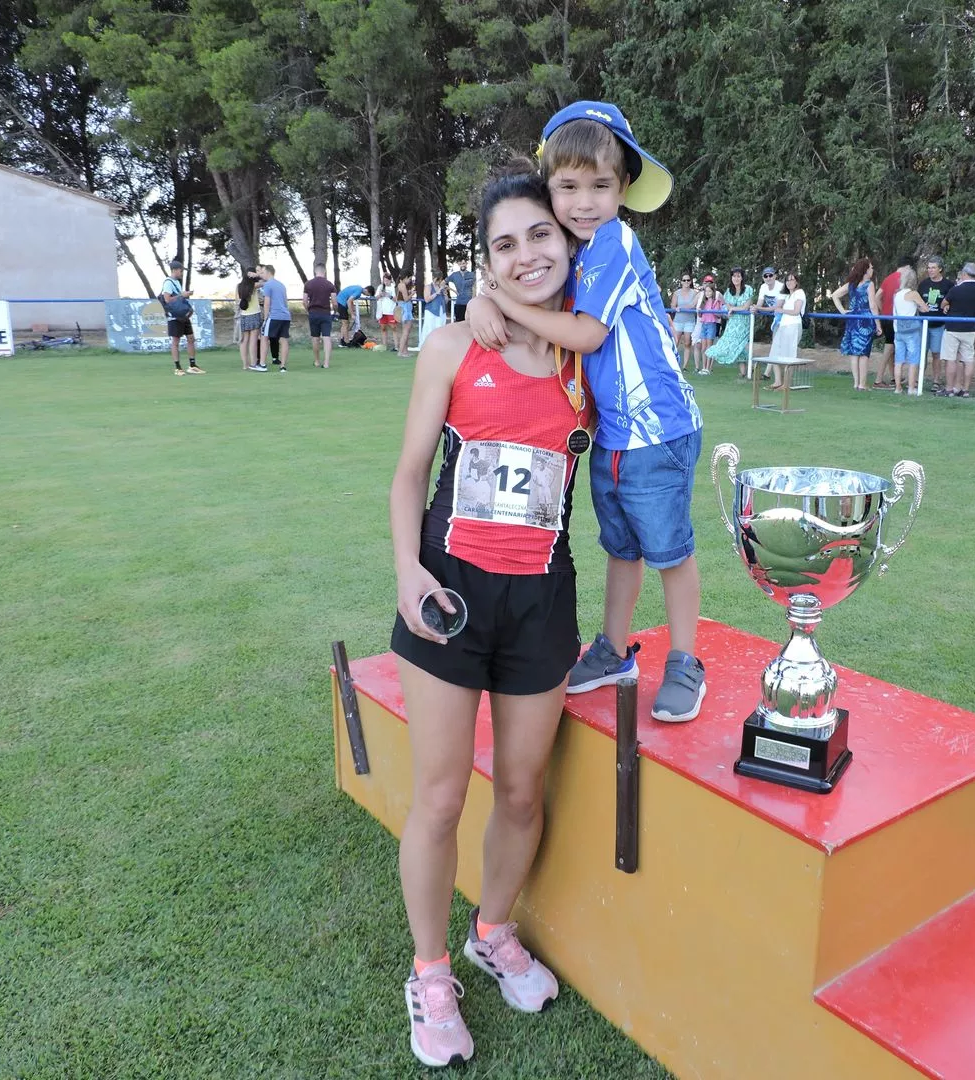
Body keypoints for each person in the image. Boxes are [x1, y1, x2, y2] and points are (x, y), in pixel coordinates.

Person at [390, 160, 584, 1068]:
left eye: (540, 234)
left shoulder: (586, 352)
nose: (526, 254)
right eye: (504, 245)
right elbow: (408, 475)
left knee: (519, 791)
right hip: (450, 592)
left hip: (543, 597)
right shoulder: (450, 347)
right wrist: (406, 572)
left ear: (566, 239)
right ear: (486, 261)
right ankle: (430, 973)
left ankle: (492, 931)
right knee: (439, 797)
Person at [467, 100, 707, 723]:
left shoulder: (614, 242)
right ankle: (613, 651)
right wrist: (480, 299)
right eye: (568, 187)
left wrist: (501, 303)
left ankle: (686, 660)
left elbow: (586, 334)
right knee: (621, 547)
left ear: (623, 189)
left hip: (658, 429)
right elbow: (520, 283)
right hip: (614, 434)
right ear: (549, 188)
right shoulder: (572, 251)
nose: (584, 201)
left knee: (669, 550)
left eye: (601, 186)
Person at [830, 258, 879, 391]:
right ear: (865, 270)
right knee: (863, 353)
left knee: (854, 352)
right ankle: (862, 384)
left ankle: (856, 383)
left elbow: (835, 295)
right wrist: (878, 324)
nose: (872, 269)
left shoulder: (851, 284)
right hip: (865, 320)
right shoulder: (869, 284)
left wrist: (843, 311)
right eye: (871, 267)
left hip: (852, 319)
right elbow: (873, 305)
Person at [938, 262, 975, 397]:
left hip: (953, 328)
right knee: (968, 360)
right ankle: (965, 390)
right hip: (969, 328)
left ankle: (949, 389)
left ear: (964, 274)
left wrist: (948, 306)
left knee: (950, 359)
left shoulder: (956, 290)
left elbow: (943, 303)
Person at [159, 259, 204, 375]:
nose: (182, 273)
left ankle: (192, 365)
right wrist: (181, 295)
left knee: (191, 338)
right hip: (174, 317)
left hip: (183, 315)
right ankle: (178, 368)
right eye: (180, 270)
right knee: (176, 341)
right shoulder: (168, 283)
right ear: (174, 270)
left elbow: (178, 297)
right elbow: (167, 299)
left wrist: (185, 294)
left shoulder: (177, 282)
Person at [705, 267, 754, 374]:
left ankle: (750, 368)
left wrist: (733, 308)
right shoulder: (729, 291)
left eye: (738, 276)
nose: (736, 278)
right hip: (732, 321)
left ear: (742, 278)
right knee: (731, 344)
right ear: (731, 277)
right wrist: (731, 309)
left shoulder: (748, 289)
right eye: (734, 276)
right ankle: (744, 372)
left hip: (743, 322)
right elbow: (727, 306)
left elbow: (745, 307)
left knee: (735, 344)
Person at [873, 254, 912, 389]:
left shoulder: (888, 278)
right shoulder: (904, 280)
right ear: (908, 267)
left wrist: (883, 309)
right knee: (889, 348)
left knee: (891, 348)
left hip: (886, 317)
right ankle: (878, 379)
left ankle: (894, 377)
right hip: (895, 318)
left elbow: (877, 296)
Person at [766, 272, 806, 390]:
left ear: (796, 282)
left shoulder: (799, 293)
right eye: (787, 280)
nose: (789, 282)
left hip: (793, 326)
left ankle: (786, 383)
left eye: (792, 280)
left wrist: (781, 310)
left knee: (789, 355)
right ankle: (778, 381)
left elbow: (796, 311)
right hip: (783, 326)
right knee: (775, 353)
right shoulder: (787, 296)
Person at [891, 266, 928, 394]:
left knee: (899, 360)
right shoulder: (913, 294)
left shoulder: (897, 295)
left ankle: (898, 388)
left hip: (898, 330)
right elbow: (925, 308)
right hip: (911, 331)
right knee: (913, 360)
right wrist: (920, 307)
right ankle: (911, 388)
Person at [918, 257, 953, 390]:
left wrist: (947, 306)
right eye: (929, 267)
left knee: (936, 353)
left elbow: (952, 301)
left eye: (933, 268)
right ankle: (918, 380)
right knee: (922, 353)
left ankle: (936, 381)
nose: (930, 270)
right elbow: (917, 301)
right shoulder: (923, 284)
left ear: (940, 269)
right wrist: (920, 307)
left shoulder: (948, 285)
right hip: (923, 324)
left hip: (939, 325)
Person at [257, 264, 290, 372]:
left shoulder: (268, 285)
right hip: (285, 316)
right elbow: (285, 302)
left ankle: (262, 365)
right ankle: (283, 366)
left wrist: (265, 318)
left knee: (264, 337)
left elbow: (267, 303)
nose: (262, 275)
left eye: (263, 272)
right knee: (284, 340)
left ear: (268, 272)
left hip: (274, 316)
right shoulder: (281, 285)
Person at [304, 263, 336, 368]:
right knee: (327, 337)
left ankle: (317, 361)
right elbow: (334, 302)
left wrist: (308, 310)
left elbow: (304, 301)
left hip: (313, 313)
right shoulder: (330, 284)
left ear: (315, 271)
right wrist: (335, 310)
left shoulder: (308, 284)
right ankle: (326, 363)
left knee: (315, 338)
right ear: (324, 271)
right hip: (326, 313)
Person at [237, 267, 263, 371]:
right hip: (255, 314)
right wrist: (258, 275)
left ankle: (245, 365)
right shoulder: (254, 285)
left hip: (244, 315)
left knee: (244, 341)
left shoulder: (238, 286)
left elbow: (237, 301)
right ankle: (253, 363)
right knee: (253, 341)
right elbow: (266, 281)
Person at [671, 272, 699, 368]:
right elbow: (673, 305)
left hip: (689, 321)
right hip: (678, 321)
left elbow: (695, 305)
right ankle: (672, 363)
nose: (686, 282)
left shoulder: (695, 293)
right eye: (684, 280)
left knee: (687, 343)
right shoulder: (677, 293)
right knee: (675, 342)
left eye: (688, 280)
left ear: (690, 282)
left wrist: (685, 307)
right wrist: (676, 308)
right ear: (681, 282)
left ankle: (684, 366)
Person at [697, 276, 724, 374]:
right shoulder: (703, 302)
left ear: (713, 292)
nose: (707, 293)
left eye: (709, 291)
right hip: (703, 324)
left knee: (709, 347)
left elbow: (719, 315)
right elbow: (700, 315)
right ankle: (704, 367)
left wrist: (713, 310)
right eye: (706, 291)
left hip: (711, 325)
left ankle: (708, 368)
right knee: (703, 347)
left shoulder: (716, 301)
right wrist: (699, 311)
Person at [420, 270, 448, 346]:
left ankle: (438, 346)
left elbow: (446, 301)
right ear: (433, 278)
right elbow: (426, 299)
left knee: (440, 329)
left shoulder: (441, 287)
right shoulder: (428, 287)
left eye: (440, 280)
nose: (438, 282)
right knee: (429, 329)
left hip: (441, 311)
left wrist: (445, 294)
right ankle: (427, 346)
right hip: (431, 311)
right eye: (437, 280)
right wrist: (436, 293)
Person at [335, 281, 364, 345]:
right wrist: (352, 314)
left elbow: (351, 301)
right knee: (345, 323)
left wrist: (353, 310)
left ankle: (342, 341)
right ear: (367, 291)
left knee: (344, 323)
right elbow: (349, 301)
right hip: (341, 302)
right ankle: (346, 342)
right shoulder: (359, 291)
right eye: (369, 294)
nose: (367, 295)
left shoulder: (358, 289)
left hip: (341, 302)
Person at [396, 276, 417, 356]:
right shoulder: (402, 285)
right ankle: (401, 352)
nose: (409, 281)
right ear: (405, 277)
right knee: (406, 332)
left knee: (406, 332)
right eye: (409, 279)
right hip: (406, 310)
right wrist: (412, 294)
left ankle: (405, 351)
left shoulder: (400, 285)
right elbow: (406, 299)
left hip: (404, 309)